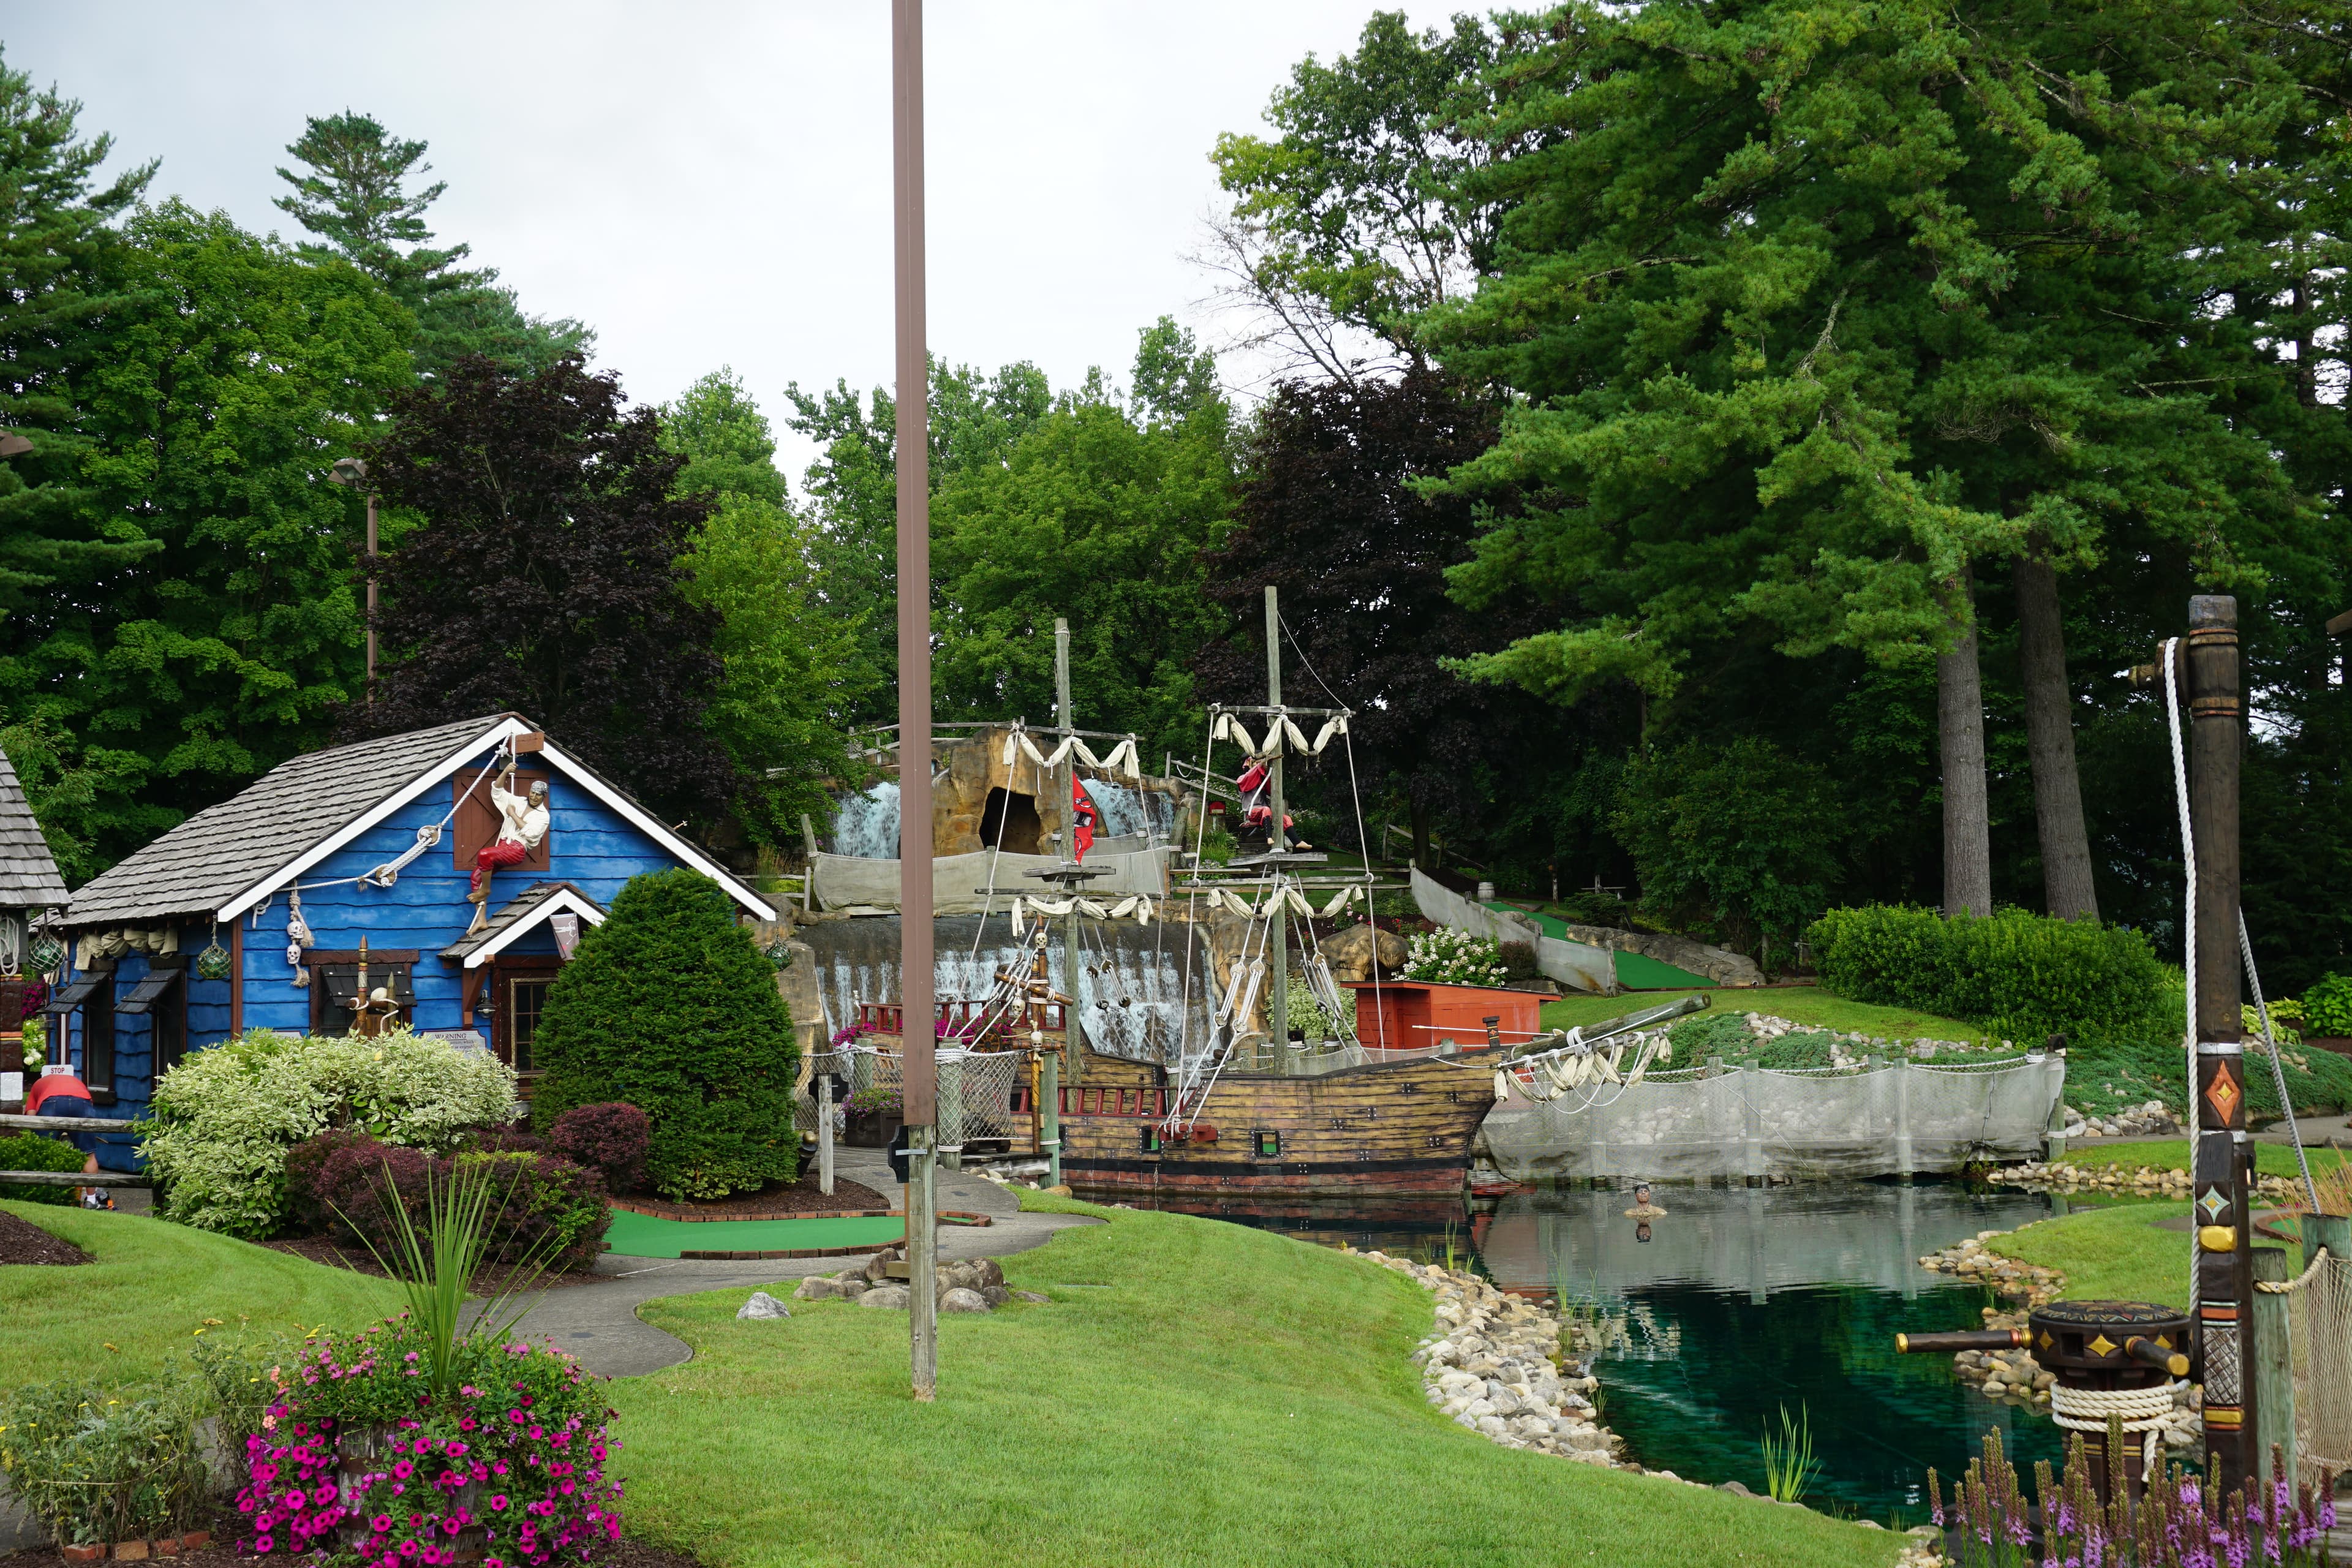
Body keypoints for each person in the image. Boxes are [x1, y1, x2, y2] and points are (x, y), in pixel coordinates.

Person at [466, 764, 551, 932]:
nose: (534, 797)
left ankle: (486, 890)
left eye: (538, 795)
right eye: (532, 793)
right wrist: (505, 772)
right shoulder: (518, 801)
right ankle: (481, 920)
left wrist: (512, 814)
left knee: (484, 854)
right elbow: (497, 792)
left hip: (517, 849)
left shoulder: (543, 817)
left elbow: (529, 833)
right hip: (503, 846)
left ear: (544, 797)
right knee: (476, 876)